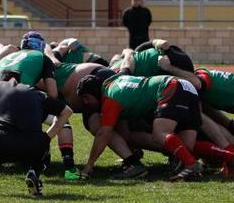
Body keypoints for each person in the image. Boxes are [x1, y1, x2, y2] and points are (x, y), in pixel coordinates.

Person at [77, 73, 213, 182]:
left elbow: (103, 134)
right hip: (186, 86)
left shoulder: (110, 99)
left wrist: (89, 165)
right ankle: (231, 157)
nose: (85, 103)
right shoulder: (114, 81)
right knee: (186, 145)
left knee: (160, 133)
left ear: (95, 92)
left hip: (170, 87)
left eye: (86, 97)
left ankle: (191, 164)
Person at [0, 71, 73, 196]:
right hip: (34, 149)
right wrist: (48, 137)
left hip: (2, 147)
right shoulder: (37, 93)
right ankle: (34, 172)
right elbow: (67, 111)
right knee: (41, 139)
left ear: (1, 81)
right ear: (17, 81)